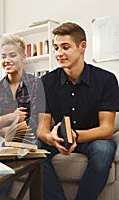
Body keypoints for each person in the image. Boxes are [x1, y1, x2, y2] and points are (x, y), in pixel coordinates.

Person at [35, 22, 119, 200]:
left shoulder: (106, 80)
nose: (59, 53)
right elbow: (41, 129)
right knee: (35, 147)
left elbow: (106, 129)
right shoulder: (45, 83)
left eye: (65, 47)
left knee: (104, 149)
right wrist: (50, 137)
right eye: (56, 48)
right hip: (57, 138)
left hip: (91, 138)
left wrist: (76, 136)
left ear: (83, 46)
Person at [0, 33, 38, 137]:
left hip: (28, 138)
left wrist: (3, 129)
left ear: (23, 57)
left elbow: (35, 122)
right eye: (3, 56)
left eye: (12, 55)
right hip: (1, 140)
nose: (7, 60)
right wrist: (11, 117)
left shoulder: (35, 83)